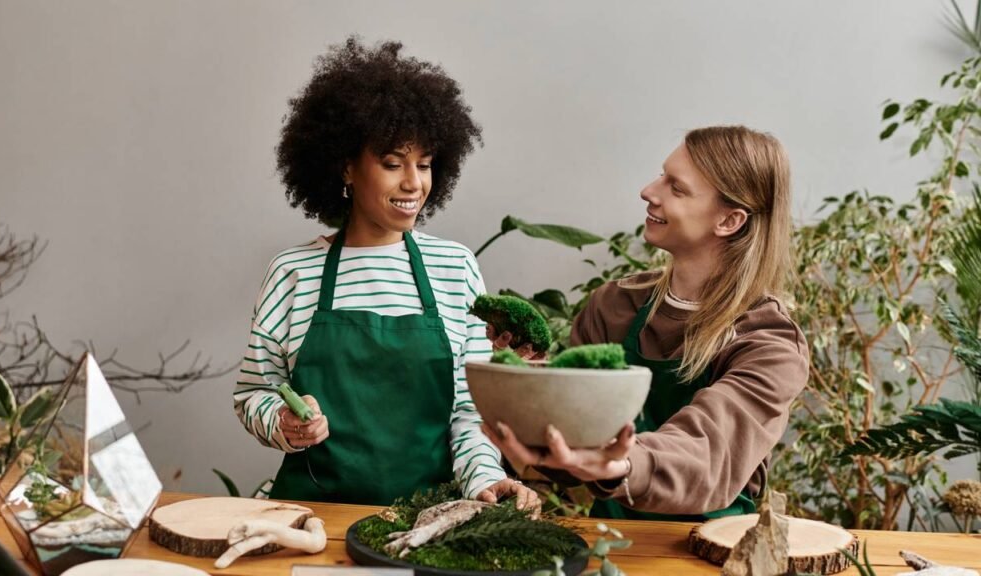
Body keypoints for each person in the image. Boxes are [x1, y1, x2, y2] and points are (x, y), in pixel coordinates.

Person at [234, 37, 536, 509]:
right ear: (347, 168)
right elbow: (255, 391)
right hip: (313, 514)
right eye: (393, 163)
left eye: (425, 164)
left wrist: (482, 480)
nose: (414, 183)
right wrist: (284, 421)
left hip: (428, 518)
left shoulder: (455, 268)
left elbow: (470, 409)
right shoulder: (293, 271)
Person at [484, 126, 809, 520]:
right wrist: (525, 393)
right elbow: (566, 453)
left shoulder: (768, 340)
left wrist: (622, 464)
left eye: (676, 188)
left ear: (728, 220)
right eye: (661, 175)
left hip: (710, 550)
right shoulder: (612, 305)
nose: (648, 191)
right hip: (610, 547)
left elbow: (709, 452)